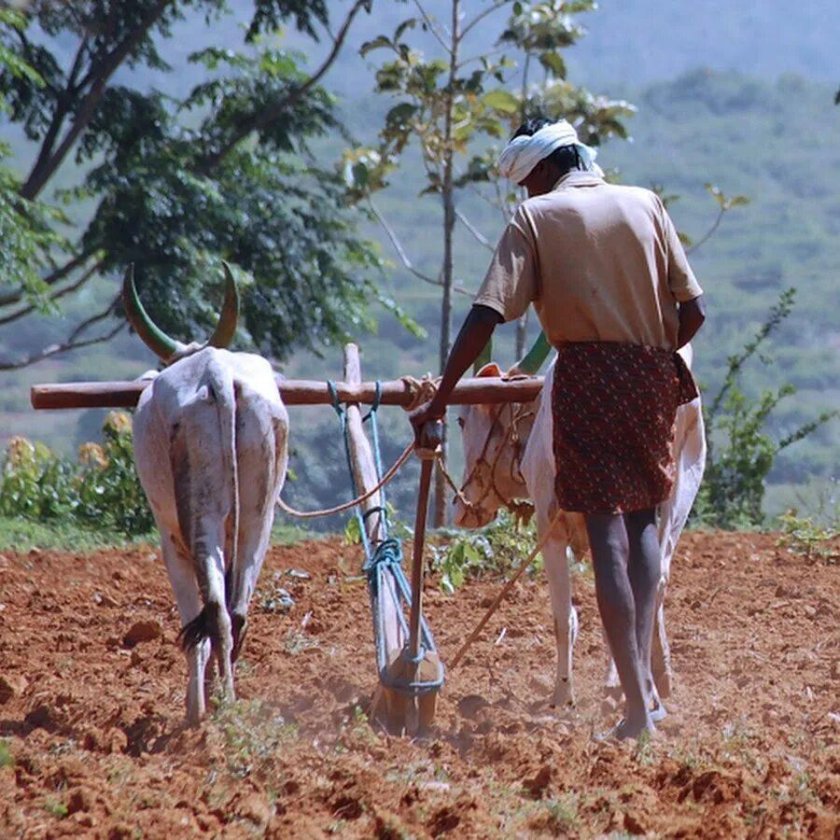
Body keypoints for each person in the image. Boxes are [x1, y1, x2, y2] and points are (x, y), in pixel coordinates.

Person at [410, 117, 706, 740]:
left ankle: (634, 713)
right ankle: (644, 695)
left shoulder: (537, 219)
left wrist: (443, 394)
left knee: (606, 538)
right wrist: (649, 360)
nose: (524, 195)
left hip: (587, 380)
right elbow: (695, 309)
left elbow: (487, 315)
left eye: (525, 183)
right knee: (644, 523)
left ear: (542, 170)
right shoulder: (646, 204)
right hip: (657, 373)